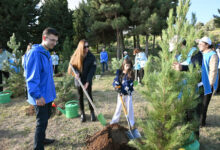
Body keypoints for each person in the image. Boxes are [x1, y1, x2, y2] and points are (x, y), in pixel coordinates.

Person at [23, 27, 58, 150]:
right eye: (52, 40)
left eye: (56, 41)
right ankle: (38, 147)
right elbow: (32, 77)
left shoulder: (46, 52)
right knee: (41, 122)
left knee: (46, 118)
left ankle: (42, 139)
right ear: (44, 38)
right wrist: (37, 96)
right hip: (40, 96)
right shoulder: (35, 53)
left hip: (47, 94)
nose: (54, 43)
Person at [173, 37, 219, 127]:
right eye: (199, 44)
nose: (199, 45)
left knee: (204, 104)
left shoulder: (212, 55)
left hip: (208, 83)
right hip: (199, 82)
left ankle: (201, 123)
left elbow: (213, 70)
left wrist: (210, 84)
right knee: (197, 103)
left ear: (207, 45)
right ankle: (196, 121)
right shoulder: (199, 54)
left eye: (201, 44)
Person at [68, 39, 97, 122]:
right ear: (81, 47)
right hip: (79, 79)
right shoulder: (76, 55)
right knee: (80, 97)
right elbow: (72, 66)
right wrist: (76, 73)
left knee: (89, 96)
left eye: (88, 46)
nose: (87, 48)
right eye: (85, 47)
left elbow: (92, 70)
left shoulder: (91, 57)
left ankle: (92, 112)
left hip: (87, 79)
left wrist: (88, 82)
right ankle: (82, 113)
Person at [110, 58, 136, 128]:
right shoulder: (119, 73)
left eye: (129, 66)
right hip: (120, 94)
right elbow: (115, 81)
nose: (128, 67)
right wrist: (117, 88)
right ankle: (114, 120)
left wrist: (124, 90)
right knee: (118, 107)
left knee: (129, 107)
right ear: (123, 65)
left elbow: (128, 84)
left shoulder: (131, 73)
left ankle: (131, 122)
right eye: (126, 65)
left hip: (128, 94)